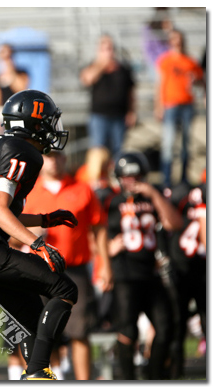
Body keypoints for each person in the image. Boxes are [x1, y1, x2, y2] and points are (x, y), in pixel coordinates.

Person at [0, 89, 78, 380]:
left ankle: (35, 373)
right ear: (32, 123)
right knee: (66, 289)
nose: (51, 128)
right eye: (47, 121)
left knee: (31, 315)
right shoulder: (21, 152)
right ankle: (38, 374)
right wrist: (37, 243)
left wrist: (44, 218)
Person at [21, 151, 113, 380]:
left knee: (80, 331)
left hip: (75, 270)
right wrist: (30, 233)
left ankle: (84, 382)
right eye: (48, 156)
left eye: (58, 155)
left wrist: (105, 264)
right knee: (41, 331)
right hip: (39, 269)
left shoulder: (82, 189)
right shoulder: (28, 191)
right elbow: (8, 230)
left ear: (65, 158)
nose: (54, 160)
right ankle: (49, 377)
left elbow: (99, 228)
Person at [105, 151, 182, 379]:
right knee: (128, 330)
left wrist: (154, 195)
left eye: (136, 176)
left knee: (165, 326)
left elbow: (175, 223)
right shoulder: (111, 200)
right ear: (119, 177)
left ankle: (154, 376)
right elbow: (95, 233)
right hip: (125, 274)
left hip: (151, 272)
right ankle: (128, 380)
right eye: (127, 176)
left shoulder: (153, 197)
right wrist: (107, 250)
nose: (132, 181)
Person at [165, 177, 206, 379]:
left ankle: (177, 374)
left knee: (180, 325)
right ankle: (176, 374)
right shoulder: (188, 195)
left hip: (191, 266)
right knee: (177, 324)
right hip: (187, 267)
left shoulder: (183, 194)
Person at [154, 29, 205, 187]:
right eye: (174, 40)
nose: (177, 43)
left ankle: (183, 178)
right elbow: (160, 84)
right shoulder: (166, 61)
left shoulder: (190, 61)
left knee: (185, 144)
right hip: (171, 105)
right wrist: (159, 106)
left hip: (187, 105)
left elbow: (200, 82)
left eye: (179, 39)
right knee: (168, 144)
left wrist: (195, 82)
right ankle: (166, 180)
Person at [80, 35, 136, 173]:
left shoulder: (123, 69)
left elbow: (130, 93)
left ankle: (116, 178)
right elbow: (87, 79)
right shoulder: (93, 67)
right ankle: (97, 180)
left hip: (119, 116)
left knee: (118, 151)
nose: (108, 52)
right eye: (104, 49)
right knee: (98, 150)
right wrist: (101, 65)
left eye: (110, 49)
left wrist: (131, 112)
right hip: (99, 116)